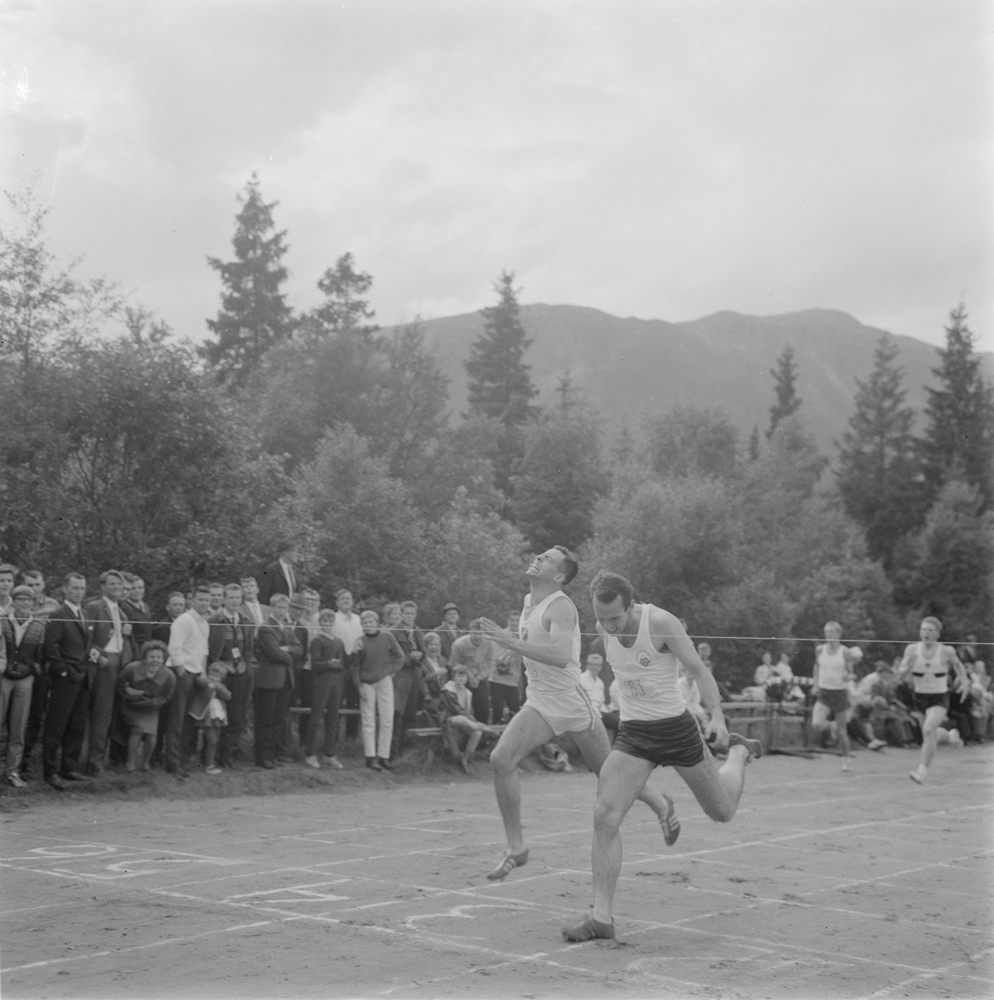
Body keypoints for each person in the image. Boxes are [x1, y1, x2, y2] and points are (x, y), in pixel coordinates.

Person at [560, 570, 761, 943]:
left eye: (615, 619)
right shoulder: (604, 625)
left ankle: (736, 753)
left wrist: (717, 715)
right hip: (635, 734)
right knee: (605, 814)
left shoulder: (661, 622)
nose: (607, 626)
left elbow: (699, 670)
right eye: (601, 619)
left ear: (631, 605)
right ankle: (601, 917)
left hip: (676, 730)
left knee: (722, 810)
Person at [478, 548, 680, 884]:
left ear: (558, 576)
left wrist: (510, 643)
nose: (538, 558)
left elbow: (559, 656)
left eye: (547, 559)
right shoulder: (530, 602)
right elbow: (536, 646)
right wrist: (515, 657)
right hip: (540, 701)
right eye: (540, 555)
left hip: (571, 702)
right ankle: (516, 848)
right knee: (501, 759)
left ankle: (661, 803)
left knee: (608, 775)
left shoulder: (561, 605)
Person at [900, 616, 969, 784]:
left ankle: (922, 771)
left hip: (939, 697)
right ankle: (950, 736)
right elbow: (900, 674)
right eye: (923, 629)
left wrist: (965, 683)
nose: (926, 633)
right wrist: (908, 666)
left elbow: (959, 667)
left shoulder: (946, 651)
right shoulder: (911, 650)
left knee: (928, 729)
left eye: (930, 630)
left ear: (937, 634)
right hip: (919, 697)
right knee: (929, 734)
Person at [41, 573, 93, 790]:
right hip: (65, 677)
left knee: (77, 724)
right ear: (65, 589)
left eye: (82, 588)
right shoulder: (58, 614)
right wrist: (62, 671)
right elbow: (51, 647)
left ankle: (69, 768)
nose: (78, 592)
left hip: (83, 677)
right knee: (56, 724)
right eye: (74, 588)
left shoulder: (86, 614)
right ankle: (50, 772)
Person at [83, 570, 135, 775]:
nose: (116, 588)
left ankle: (102, 760)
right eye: (112, 584)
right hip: (103, 665)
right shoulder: (94, 606)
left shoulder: (120, 611)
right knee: (101, 715)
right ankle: (93, 764)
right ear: (103, 587)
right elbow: (85, 639)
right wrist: (99, 658)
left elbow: (121, 641)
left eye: (119, 585)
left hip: (119, 664)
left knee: (112, 716)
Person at [1, 585, 46, 787]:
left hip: (25, 679)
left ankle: (12, 772)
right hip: (4, 677)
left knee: (18, 728)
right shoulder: (3, 622)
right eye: (20, 599)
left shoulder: (38, 625)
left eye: (28, 600)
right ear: (14, 601)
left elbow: (41, 654)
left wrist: (34, 669)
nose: (25, 603)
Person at [165, 584, 211, 775]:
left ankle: (184, 760)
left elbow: (204, 651)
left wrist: (202, 672)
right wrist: (182, 673)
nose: (204, 603)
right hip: (180, 674)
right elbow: (174, 649)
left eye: (207, 600)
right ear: (192, 600)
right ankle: (172, 764)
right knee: (176, 720)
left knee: (190, 720)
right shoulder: (183, 620)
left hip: (196, 674)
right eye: (200, 599)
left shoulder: (204, 623)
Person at [253, 593, 303, 770]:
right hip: (270, 679)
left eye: (284, 608)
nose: (282, 611)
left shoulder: (288, 626)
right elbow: (274, 653)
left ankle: (274, 754)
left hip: (286, 679)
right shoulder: (265, 628)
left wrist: (288, 649)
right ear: (272, 608)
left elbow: (299, 649)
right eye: (279, 607)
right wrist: (289, 657)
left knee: (278, 719)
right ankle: (263, 756)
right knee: (265, 718)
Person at [351, 610, 404, 771]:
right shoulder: (359, 642)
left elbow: (399, 656)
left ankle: (384, 756)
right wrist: (358, 685)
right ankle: (370, 757)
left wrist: (391, 671)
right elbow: (355, 666)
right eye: (365, 623)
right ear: (362, 625)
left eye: (371, 622)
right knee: (368, 720)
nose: (369, 625)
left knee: (387, 719)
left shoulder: (387, 637)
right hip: (367, 683)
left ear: (377, 622)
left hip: (384, 681)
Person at [208, 583, 253, 768]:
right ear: (224, 599)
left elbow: (249, 649)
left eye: (238, 597)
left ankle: (226, 756)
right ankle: (210, 756)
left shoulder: (245, 620)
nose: (235, 601)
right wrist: (218, 668)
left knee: (235, 717)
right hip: (221, 674)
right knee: (216, 715)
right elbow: (210, 650)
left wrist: (244, 665)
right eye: (231, 597)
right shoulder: (215, 620)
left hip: (240, 674)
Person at [116, 640, 175, 772]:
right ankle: (130, 763)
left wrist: (151, 703)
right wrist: (131, 697)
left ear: (164, 658)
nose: (155, 660)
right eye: (152, 657)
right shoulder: (132, 668)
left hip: (151, 709)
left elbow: (167, 696)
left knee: (151, 734)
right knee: (138, 729)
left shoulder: (169, 676)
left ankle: (145, 763)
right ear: (145, 658)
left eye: (159, 657)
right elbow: (120, 684)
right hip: (131, 706)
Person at [810, 622, 860, 772]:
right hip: (824, 692)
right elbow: (816, 667)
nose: (829, 635)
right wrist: (815, 684)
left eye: (832, 632)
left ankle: (846, 759)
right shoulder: (820, 649)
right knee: (816, 724)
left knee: (842, 732)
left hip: (839, 693)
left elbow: (852, 673)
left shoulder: (845, 652)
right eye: (826, 632)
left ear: (839, 634)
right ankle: (831, 725)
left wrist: (848, 677)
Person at [304, 610, 347, 769]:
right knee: (316, 718)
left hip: (336, 682)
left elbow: (342, 663)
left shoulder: (338, 641)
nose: (328, 623)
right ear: (320, 621)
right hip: (321, 682)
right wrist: (329, 664)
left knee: (333, 719)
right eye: (325, 620)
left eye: (330, 620)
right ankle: (310, 754)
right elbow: (315, 664)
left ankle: (330, 754)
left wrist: (337, 665)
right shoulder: (317, 640)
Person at [440, 665, 501, 772]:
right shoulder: (448, 689)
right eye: (459, 676)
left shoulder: (466, 692)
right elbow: (456, 709)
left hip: (464, 719)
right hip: (449, 718)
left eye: (464, 676)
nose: (462, 678)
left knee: (477, 733)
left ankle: (465, 759)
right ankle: (485, 728)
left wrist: (472, 719)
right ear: (453, 677)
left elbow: (468, 710)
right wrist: (473, 720)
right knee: (472, 724)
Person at [449, 619, 499, 724]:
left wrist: (479, 677)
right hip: (463, 678)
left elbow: (490, 662)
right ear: (470, 632)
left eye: (480, 634)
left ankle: (482, 737)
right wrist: (469, 675)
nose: (478, 637)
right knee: (464, 708)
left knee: (484, 708)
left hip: (480, 677)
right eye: (475, 633)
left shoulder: (489, 642)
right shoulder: (459, 644)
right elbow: (453, 663)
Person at [188, 661, 231, 774]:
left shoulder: (221, 686)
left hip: (217, 716)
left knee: (214, 741)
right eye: (211, 674)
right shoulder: (205, 684)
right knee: (212, 741)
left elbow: (228, 696)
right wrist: (209, 683)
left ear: (221, 678)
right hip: (206, 716)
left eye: (216, 676)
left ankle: (207, 762)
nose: (213, 677)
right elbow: (199, 681)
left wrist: (219, 688)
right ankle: (209, 765)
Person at [489, 613, 523, 723]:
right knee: (497, 711)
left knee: (515, 710)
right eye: (512, 620)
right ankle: (494, 738)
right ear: (508, 621)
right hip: (497, 678)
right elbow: (495, 656)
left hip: (512, 680)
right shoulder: (501, 635)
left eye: (517, 620)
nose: (514, 623)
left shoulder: (522, 635)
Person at [257, 541, 299, 605]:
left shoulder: (294, 571)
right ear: (285, 553)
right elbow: (263, 595)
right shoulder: (269, 570)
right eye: (295, 551)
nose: (297, 554)